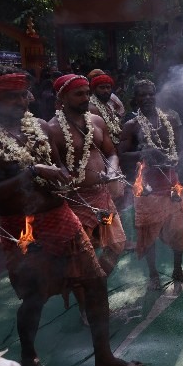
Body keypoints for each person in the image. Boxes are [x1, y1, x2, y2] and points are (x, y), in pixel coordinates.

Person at [0, 66, 142, 366]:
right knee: (35, 296)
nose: (22, 102)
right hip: (22, 228)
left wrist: (69, 179)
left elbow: (60, 171)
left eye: (23, 94)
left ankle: (104, 359)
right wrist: (32, 173)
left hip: (62, 216)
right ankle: (28, 357)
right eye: (12, 96)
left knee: (95, 281)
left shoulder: (39, 129)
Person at [118, 80, 183, 290]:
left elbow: (180, 148)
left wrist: (177, 162)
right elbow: (122, 155)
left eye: (150, 95)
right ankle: (153, 275)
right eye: (141, 96)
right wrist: (144, 154)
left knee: (179, 230)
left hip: (171, 183)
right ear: (135, 99)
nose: (146, 99)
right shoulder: (131, 126)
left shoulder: (169, 119)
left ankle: (178, 270)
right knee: (149, 234)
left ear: (156, 96)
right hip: (147, 188)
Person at [48, 74, 127, 275]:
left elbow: (111, 153)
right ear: (62, 97)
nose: (85, 98)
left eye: (87, 93)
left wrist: (111, 170)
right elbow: (55, 169)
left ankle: (98, 280)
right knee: (83, 252)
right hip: (77, 205)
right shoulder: (53, 129)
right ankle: (89, 294)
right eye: (78, 94)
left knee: (114, 243)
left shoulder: (97, 121)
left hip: (103, 202)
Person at [88, 72, 123, 146]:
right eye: (102, 87)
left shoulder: (108, 105)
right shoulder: (92, 108)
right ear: (94, 89)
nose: (106, 91)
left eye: (108, 87)